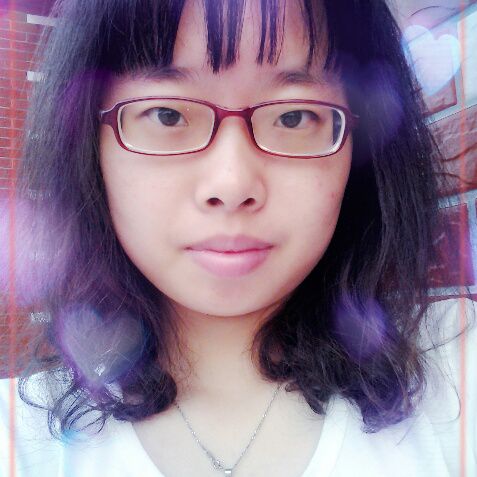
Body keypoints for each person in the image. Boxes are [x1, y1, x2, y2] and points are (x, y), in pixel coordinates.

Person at [0, 0, 475, 476]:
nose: (231, 184)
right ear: (90, 148)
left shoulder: (456, 374)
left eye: (294, 117)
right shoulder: (20, 441)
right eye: (167, 114)